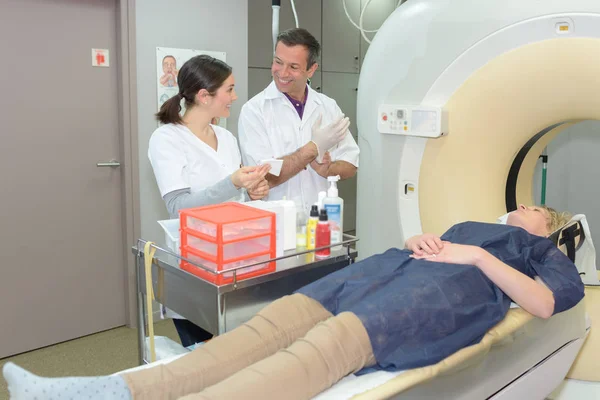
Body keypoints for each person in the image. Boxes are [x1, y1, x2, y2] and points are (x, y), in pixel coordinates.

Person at [3, 205, 584, 400]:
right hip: (381, 274)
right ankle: (102, 390)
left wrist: (479, 260)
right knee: (260, 332)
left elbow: (543, 305)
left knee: (314, 355)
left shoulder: (539, 250)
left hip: (428, 303)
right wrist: (420, 240)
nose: (519, 209)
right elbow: (427, 244)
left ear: (549, 223)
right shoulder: (470, 220)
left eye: (534, 207)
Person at [150, 55, 271, 347]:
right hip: (195, 266)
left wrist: (252, 191)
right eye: (229, 90)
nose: (235, 96)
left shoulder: (226, 138)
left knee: (240, 350)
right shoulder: (167, 139)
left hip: (236, 259)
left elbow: (235, 198)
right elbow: (179, 208)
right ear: (204, 96)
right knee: (203, 357)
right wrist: (233, 183)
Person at [238, 28, 360, 214]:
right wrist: (313, 148)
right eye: (278, 62)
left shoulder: (327, 106)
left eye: (293, 67)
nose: (282, 73)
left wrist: (328, 169)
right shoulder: (254, 110)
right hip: (276, 223)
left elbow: (351, 165)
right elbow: (262, 179)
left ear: (311, 70)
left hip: (321, 222)